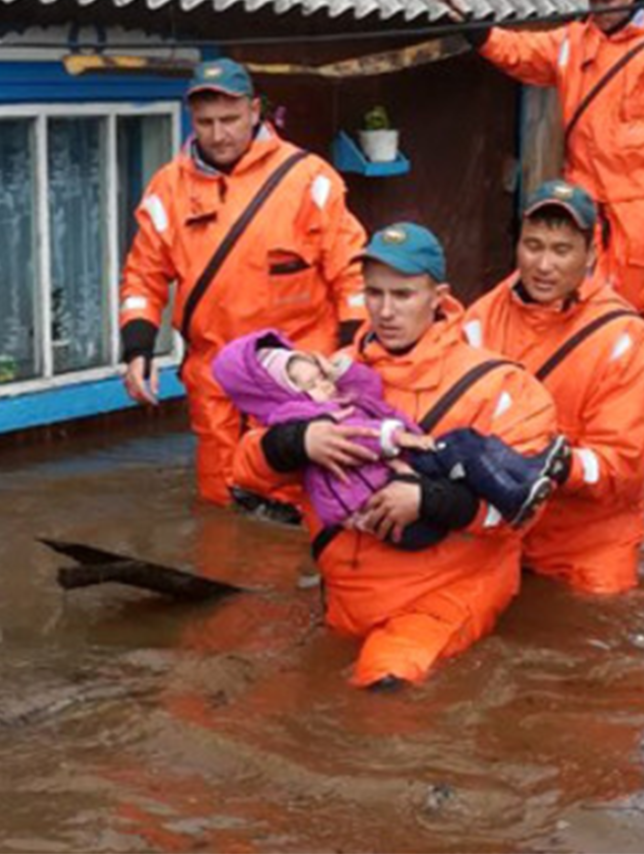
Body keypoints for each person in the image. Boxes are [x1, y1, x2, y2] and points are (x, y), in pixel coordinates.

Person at [230, 222, 559, 688]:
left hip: (445, 592)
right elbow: (244, 473)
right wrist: (298, 443)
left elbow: (523, 511)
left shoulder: (500, 386)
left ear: (439, 298)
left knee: (385, 688)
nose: (385, 311)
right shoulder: (329, 374)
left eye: (402, 295)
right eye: (374, 294)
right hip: (346, 596)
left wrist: (428, 500)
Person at [119, 57, 367, 507]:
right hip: (214, 375)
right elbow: (142, 275)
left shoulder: (308, 179)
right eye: (206, 122)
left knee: (303, 498)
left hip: (297, 372)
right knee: (219, 500)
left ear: (256, 111)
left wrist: (353, 349)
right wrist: (137, 350)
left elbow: (351, 270)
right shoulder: (167, 189)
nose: (219, 134)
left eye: (230, 119)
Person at [437, 0, 644, 325]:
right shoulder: (572, 42)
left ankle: (631, 359)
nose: (600, 9)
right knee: (572, 282)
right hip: (584, 187)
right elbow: (519, 52)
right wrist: (472, 25)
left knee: (634, 292)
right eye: (593, 0)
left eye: (608, 1)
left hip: (638, 193)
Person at [465, 180, 644, 595]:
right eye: (533, 246)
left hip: (588, 542)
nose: (543, 265)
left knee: (594, 635)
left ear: (591, 256)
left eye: (561, 250)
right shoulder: (480, 318)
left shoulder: (627, 342)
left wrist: (557, 466)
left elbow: (621, 467)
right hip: (495, 528)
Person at [213, 328, 572, 546]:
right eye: (310, 384)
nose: (322, 386)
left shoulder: (330, 393)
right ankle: (516, 494)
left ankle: (526, 474)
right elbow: (359, 437)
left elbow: (368, 387)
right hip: (390, 518)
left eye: (401, 293)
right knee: (462, 446)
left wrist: (333, 371)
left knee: (466, 445)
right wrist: (401, 438)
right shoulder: (300, 417)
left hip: (399, 504)